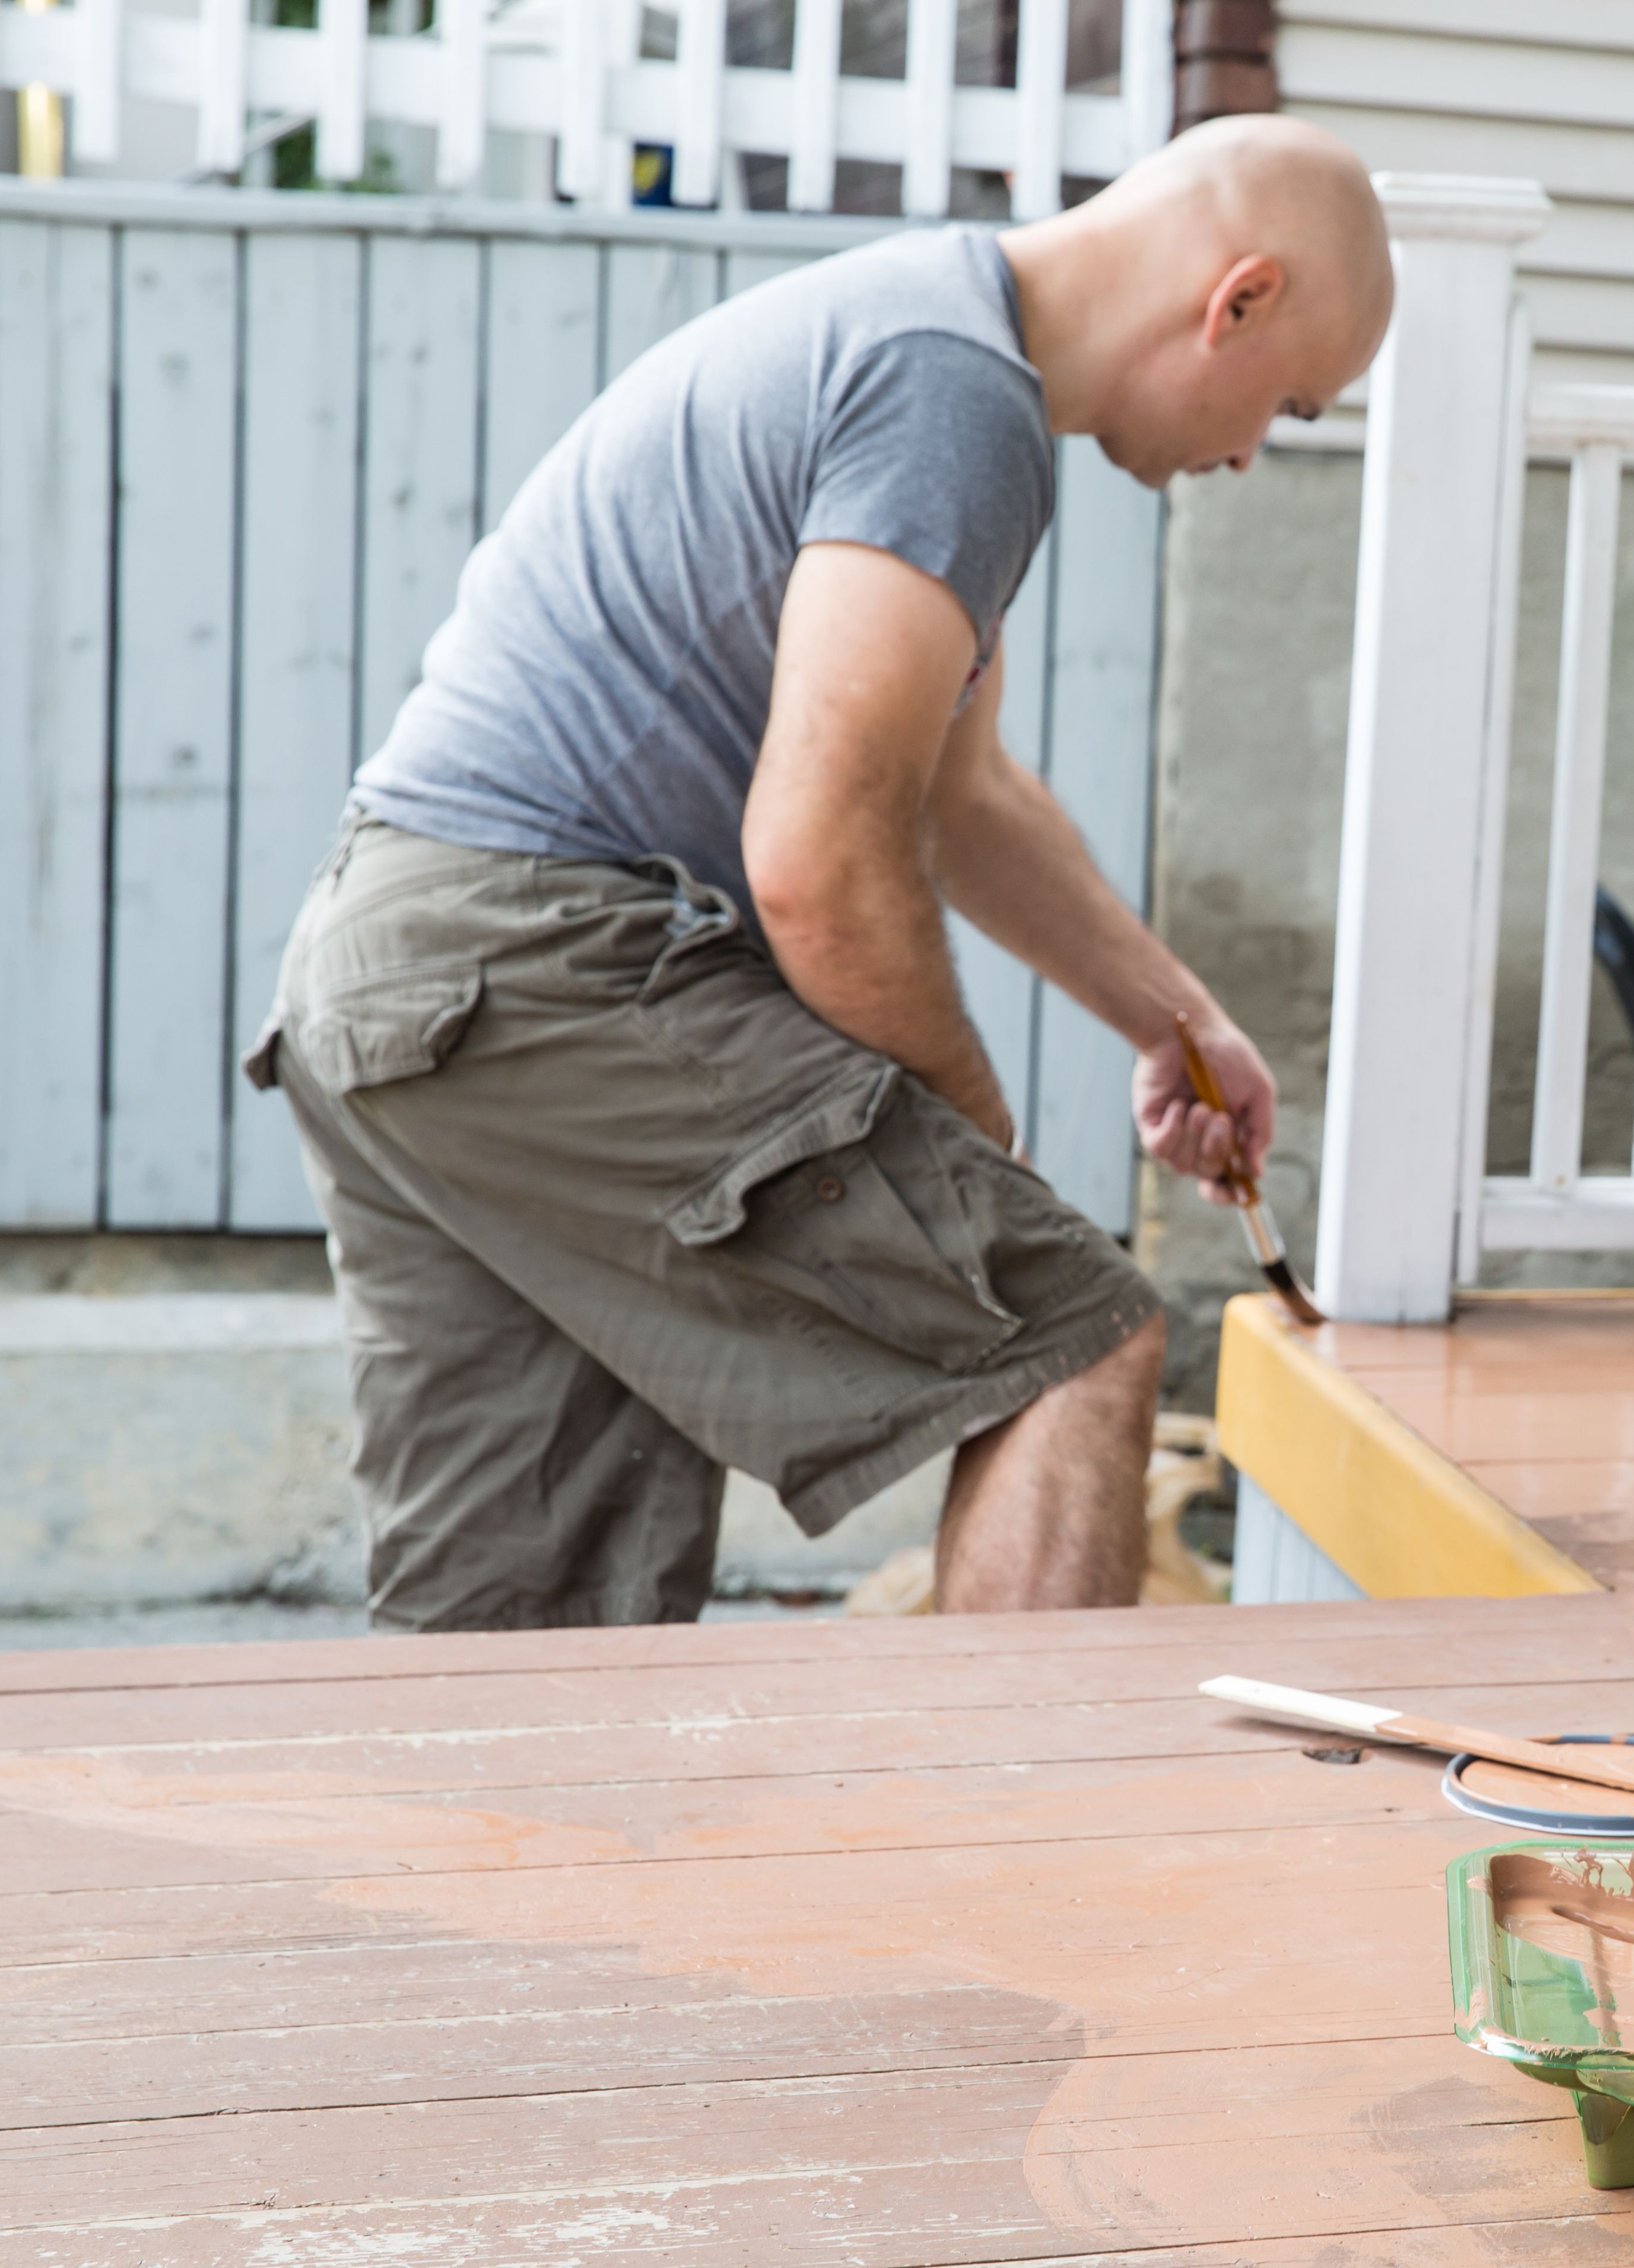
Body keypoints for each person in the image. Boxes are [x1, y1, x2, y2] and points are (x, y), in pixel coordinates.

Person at [244, 118, 1395, 1632]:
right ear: (1235, 299)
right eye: (1292, 403)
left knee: (527, 1613)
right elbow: (821, 858)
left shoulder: (919, 333)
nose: (1252, 451)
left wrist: (1176, 1020)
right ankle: (1011, 1866)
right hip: (535, 961)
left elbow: (958, 800)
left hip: (394, 970)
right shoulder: (956, 395)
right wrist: (984, 1169)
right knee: (1066, 1341)